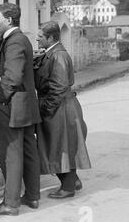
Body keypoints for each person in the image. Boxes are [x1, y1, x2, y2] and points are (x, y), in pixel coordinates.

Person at [0, 3, 41, 216]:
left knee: (11, 153)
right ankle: (33, 197)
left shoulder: (15, 41)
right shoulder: (17, 39)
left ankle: (10, 203)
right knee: (28, 150)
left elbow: (13, 76)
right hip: (25, 104)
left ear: (9, 20)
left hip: (12, 105)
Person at [34, 21, 91, 199]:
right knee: (61, 144)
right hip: (60, 106)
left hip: (60, 107)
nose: (37, 38)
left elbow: (58, 87)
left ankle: (68, 188)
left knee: (62, 146)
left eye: (40, 36)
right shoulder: (52, 53)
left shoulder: (58, 56)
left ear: (51, 38)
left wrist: (44, 109)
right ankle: (72, 181)